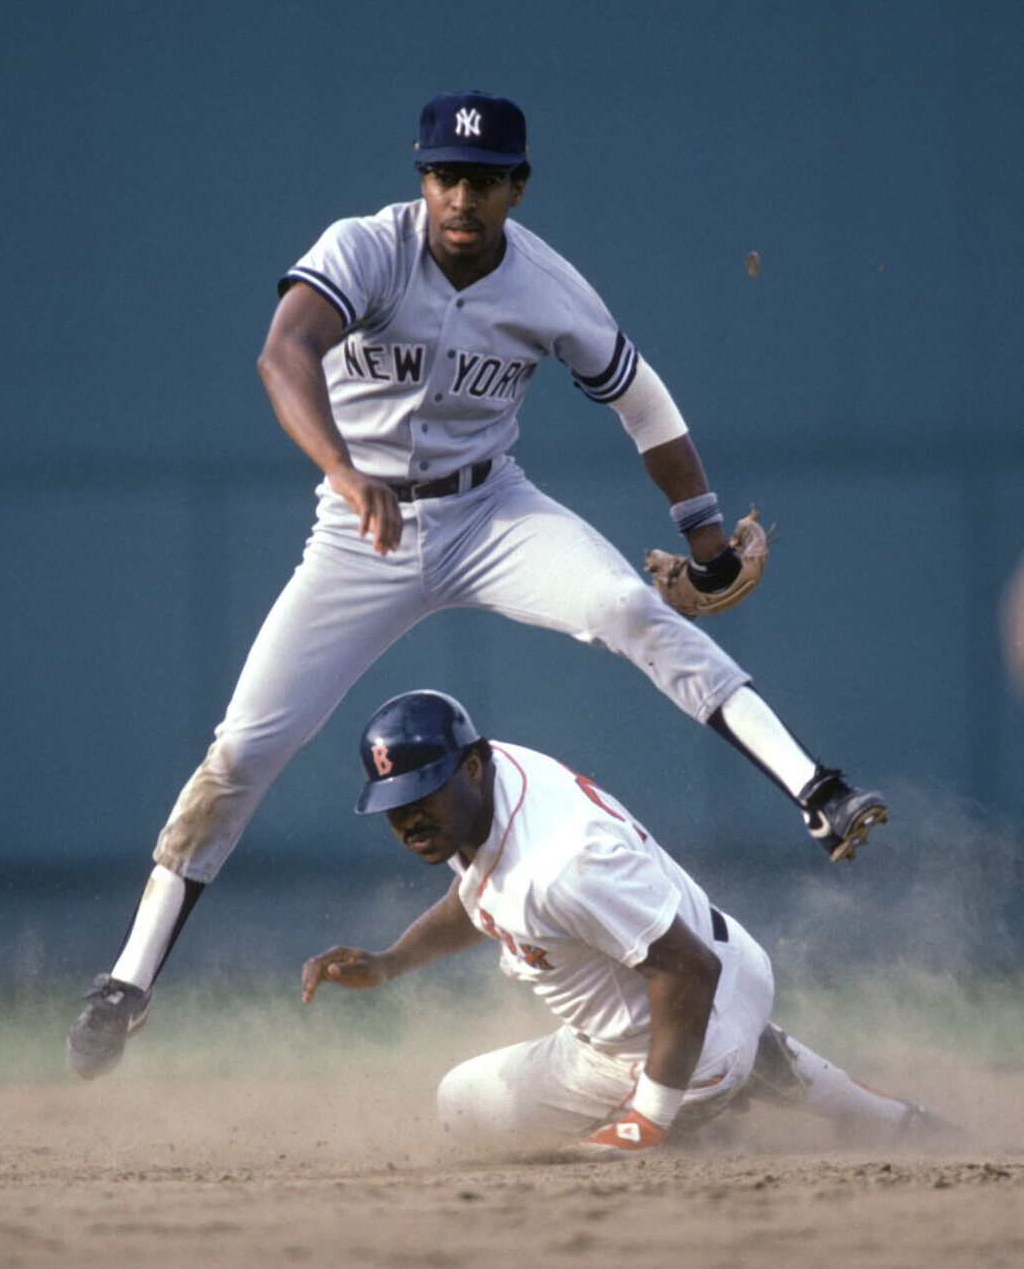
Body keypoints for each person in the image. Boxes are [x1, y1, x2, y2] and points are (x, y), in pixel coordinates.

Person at [66, 91, 886, 1080]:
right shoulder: (368, 248)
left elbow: (641, 396)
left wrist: (703, 534)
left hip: (490, 512)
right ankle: (128, 978)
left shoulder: (545, 283)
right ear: (422, 180)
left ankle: (816, 789)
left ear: (516, 188)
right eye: (447, 174)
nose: (463, 194)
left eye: (485, 178)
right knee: (245, 746)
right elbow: (282, 354)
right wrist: (340, 466)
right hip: (357, 532)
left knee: (628, 604)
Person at [301, 691, 947, 1154]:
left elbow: (687, 970)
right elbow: (485, 895)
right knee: (472, 1095)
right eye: (394, 804)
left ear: (469, 767)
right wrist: (389, 962)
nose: (408, 817)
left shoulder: (564, 861)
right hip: (716, 969)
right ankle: (878, 1115)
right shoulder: (495, 780)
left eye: (423, 794)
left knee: (491, 1124)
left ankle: (703, 1101)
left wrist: (648, 1116)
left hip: (684, 1020)